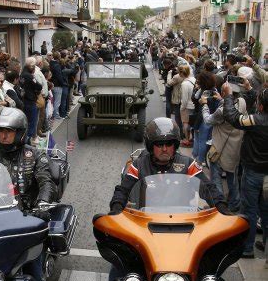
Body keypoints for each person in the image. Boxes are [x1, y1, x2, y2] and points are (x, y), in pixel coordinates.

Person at [0, 108, 57, 281]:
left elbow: (46, 182)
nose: (4, 135)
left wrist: (42, 204)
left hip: (26, 216)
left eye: (9, 131)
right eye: (0, 131)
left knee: (31, 260)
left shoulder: (35, 155)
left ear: (20, 133)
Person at [109, 117, 228, 216]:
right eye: (159, 144)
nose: (164, 149)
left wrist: (221, 205)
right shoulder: (139, 165)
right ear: (151, 146)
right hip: (147, 221)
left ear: (175, 145)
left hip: (182, 220)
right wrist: (117, 207)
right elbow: (123, 190)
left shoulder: (188, 164)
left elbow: (208, 187)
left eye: (169, 144)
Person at [222, 83, 268, 262]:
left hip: (252, 172)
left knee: (249, 210)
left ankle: (248, 248)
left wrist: (227, 97)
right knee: (266, 213)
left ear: (261, 106)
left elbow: (233, 117)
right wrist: (249, 89)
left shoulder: (255, 120)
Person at [20, 57, 43, 145]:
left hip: (25, 100)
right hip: (30, 101)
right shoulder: (28, 76)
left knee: (29, 121)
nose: (34, 67)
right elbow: (38, 86)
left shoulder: (22, 74)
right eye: (34, 66)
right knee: (32, 122)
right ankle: (29, 141)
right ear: (30, 66)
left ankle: (32, 138)